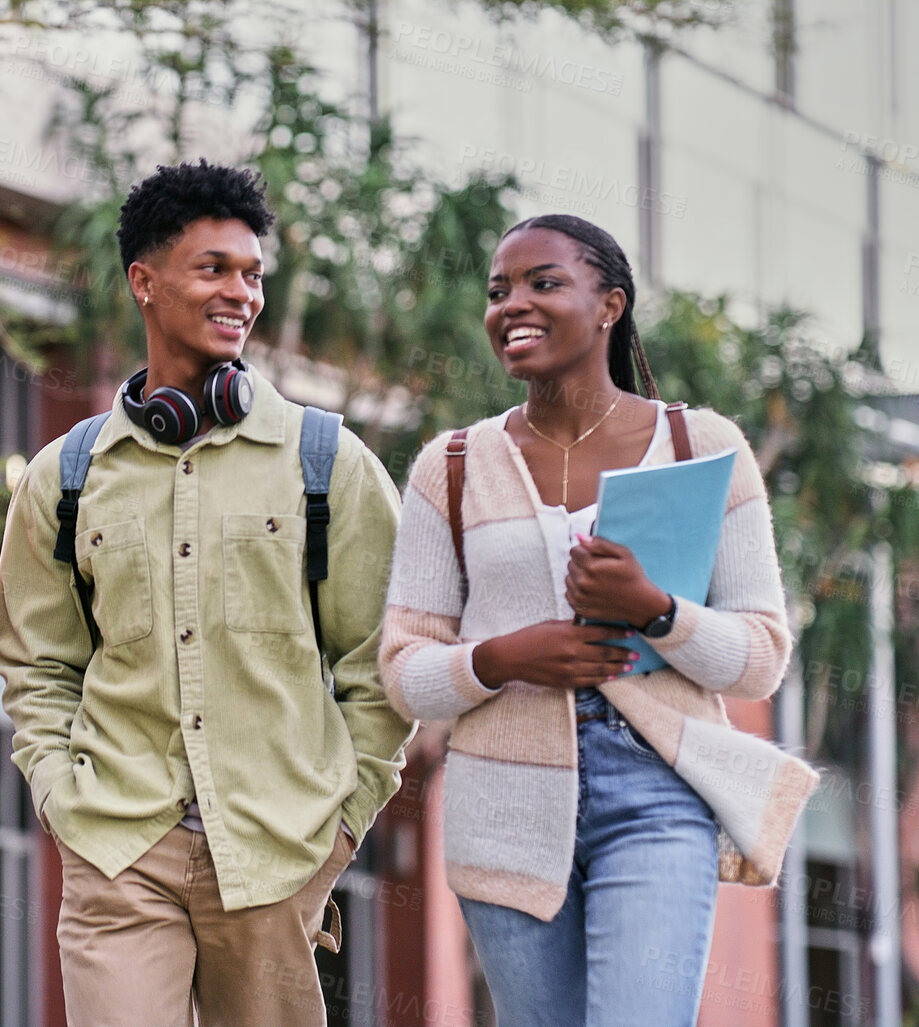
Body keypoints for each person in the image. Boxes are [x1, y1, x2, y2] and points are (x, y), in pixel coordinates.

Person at [0, 160, 413, 1027]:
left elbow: (382, 663)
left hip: (276, 851)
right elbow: (36, 666)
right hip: (117, 844)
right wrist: (59, 794)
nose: (240, 292)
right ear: (143, 283)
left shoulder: (328, 463)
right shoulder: (63, 478)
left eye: (252, 273)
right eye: (213, 268)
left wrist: (340, 827)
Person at [380, 214, 816, 1027]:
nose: (513, 303)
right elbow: (404, 671)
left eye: (543, 283)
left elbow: (758, 659)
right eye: (498, 290)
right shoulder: (449, 466)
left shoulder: (699, 445)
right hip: (503, 802)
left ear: (609, 303)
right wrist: (507, 655)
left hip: (655, 791)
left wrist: (654, 611)